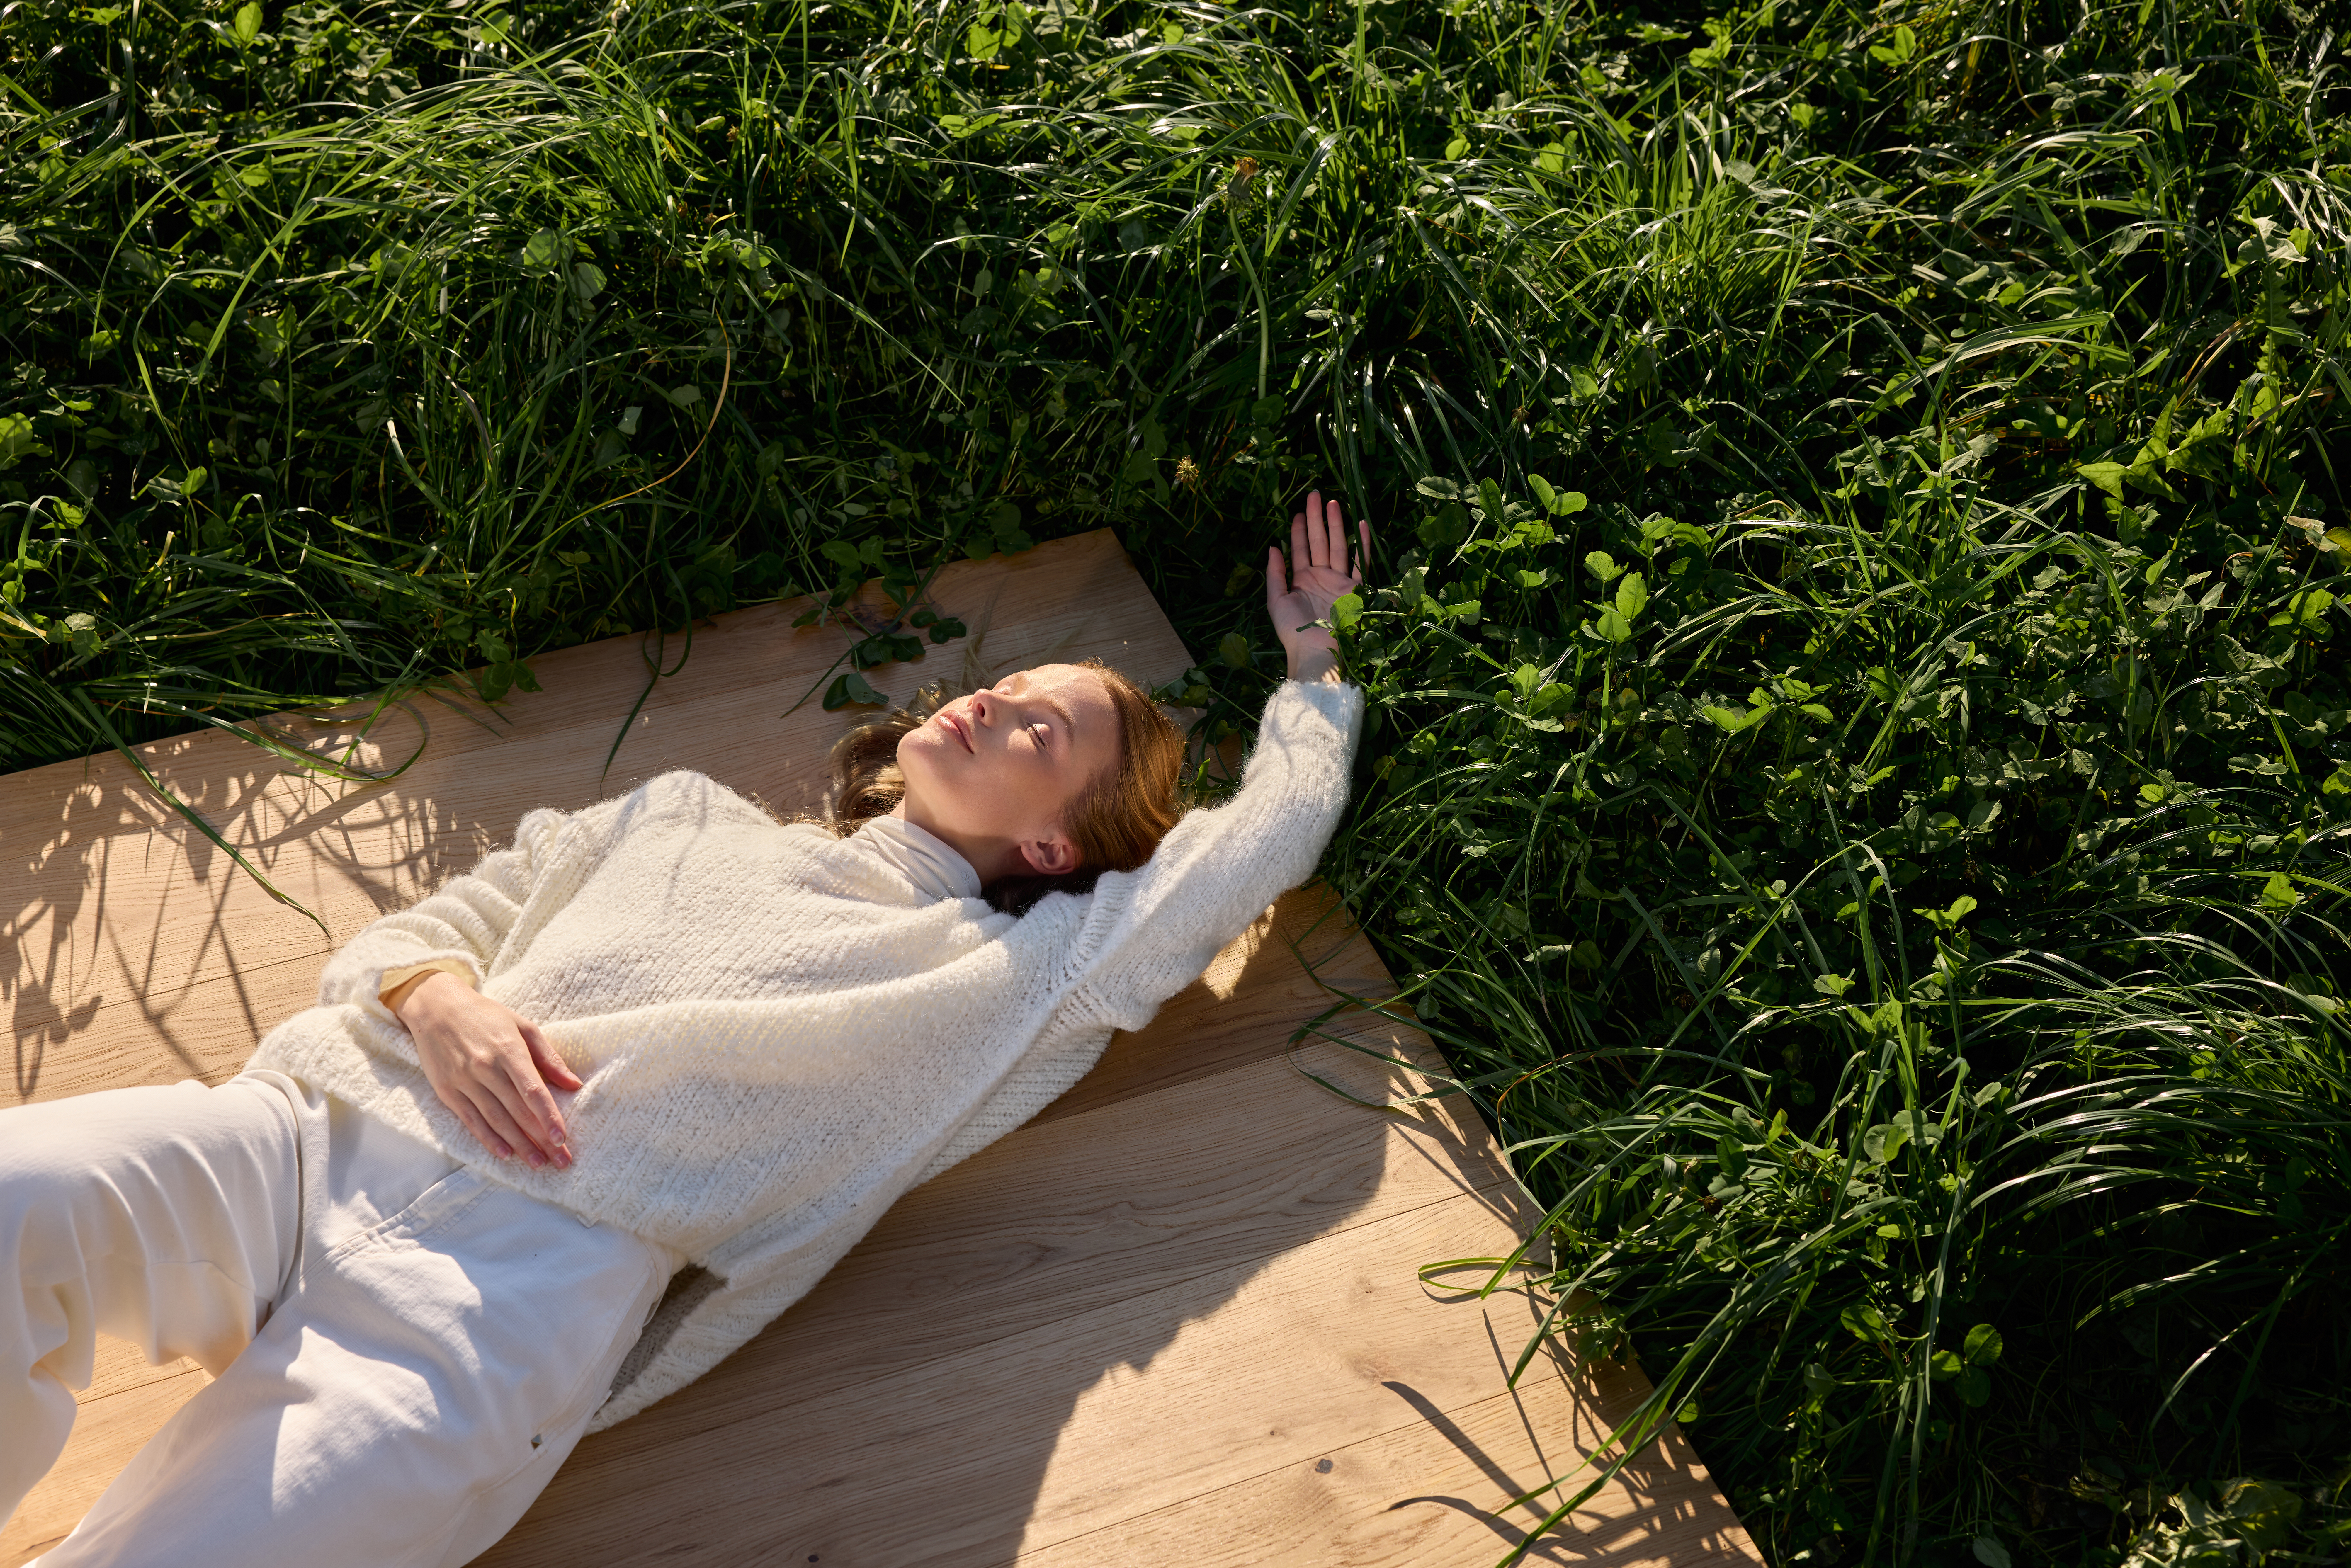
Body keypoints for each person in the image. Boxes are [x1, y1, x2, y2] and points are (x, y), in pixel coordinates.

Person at [0, 494, 1374, 1567]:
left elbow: (1256, 848)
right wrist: (439, 1002)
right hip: (317, 1135)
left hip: (501, 1312)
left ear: (1051, 837)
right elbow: (427, 929)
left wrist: (1313, 663)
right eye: (1014, 682)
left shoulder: (1013, 978)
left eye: (1037, 729)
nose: (990, 697)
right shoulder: (677, 814)